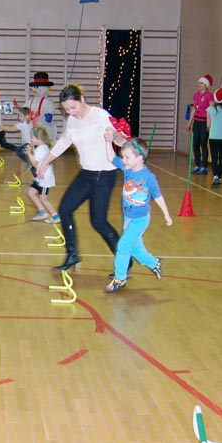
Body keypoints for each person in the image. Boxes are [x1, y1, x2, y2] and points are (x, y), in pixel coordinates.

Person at [34, 83, 121, 272]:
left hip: (104, 175)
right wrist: (45, 161)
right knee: (65, 209)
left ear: (82, 99)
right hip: (86, 173)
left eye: (73, 107)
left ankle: (123, 259)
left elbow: (121, 140)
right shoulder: (72, 121)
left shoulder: (100, 116)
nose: (70, 112)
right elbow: (65, 141)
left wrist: (115, 135)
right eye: (66, 110)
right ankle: (72, 255)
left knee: (98, 221)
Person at [103, 130, 171, 292]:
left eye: (127, 157)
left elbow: (158, 197)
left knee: (123, 246)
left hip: (140, 219)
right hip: (128, 218)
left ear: (139, 157)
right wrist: (107, 141)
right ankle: (155, 263)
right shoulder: (127, 168)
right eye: (123, 157)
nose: (123, 160)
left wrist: (167, 215)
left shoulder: (148, 177)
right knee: (135, 248)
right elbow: (111, 158)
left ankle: (120, 279)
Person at [26, 126, 58, 223]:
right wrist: (32, 150)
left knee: (43, 199)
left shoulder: (42, 149)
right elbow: (38, 159)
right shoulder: (41, 147)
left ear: (39, 138)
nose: (30, 139)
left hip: (45, 179)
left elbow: (35, 164)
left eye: (32, 137)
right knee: (31, 193)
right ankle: (42, 212)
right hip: (40, 178)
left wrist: (29, 154)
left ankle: (56, 216)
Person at [188, 74, 213, 174]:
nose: (199, 85)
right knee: (195, 143)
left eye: (201, 83)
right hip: (197, 122)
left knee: (203, 143)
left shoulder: (209, 95)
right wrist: (190, 122)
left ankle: (204, 166)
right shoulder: (196, 95)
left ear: (206, 85)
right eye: (199, 83)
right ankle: (197, 164)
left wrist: (209, 124)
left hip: (204, 122)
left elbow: (211, 110)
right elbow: (194, 109)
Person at [206, 89, 222, 187]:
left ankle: (215, 176)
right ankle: (220, 177)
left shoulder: (210, 109)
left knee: (214, 157)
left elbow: (208, 125)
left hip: (214, 136)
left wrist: (209, 128)